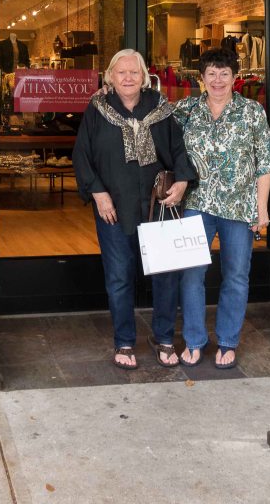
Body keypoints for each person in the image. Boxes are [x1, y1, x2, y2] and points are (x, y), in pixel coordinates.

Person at [72, 48, 197, 370]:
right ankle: (124, 341)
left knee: (166, 275)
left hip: (159, 204)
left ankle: (164, 337)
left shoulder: (160, 109)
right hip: (114, 207)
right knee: (119, 277)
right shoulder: (97, 109)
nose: (128, 77)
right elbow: (82, 154)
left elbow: (179, 149)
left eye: (134, 72)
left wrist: (182, 181)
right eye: (121, 72)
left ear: (144, 77)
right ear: (111, 77)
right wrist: (98, 193)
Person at [173, 47, 270, 370]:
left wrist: (261, 208)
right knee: (192, 274)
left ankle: (228, 341)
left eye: (224, 74)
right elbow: (158, 132)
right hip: (196, 204)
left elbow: (266, 162)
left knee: (236, 275)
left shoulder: (251, 112)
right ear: (201, 78)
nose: (217, 80)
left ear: (235, 78)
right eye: (211, 74)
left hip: (239, 207)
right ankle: (194, 340)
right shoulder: (186, 110)